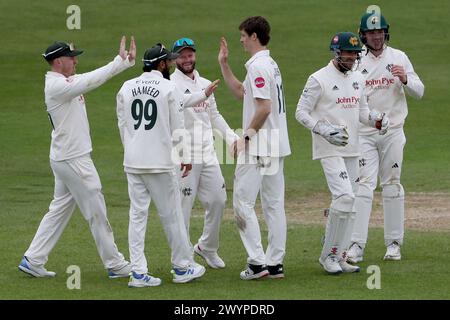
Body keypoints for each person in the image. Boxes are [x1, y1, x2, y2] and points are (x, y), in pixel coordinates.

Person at [18, 37, 136, 278]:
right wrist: (119, 62)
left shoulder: (63, 82)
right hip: (74, 159)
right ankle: (114, 264)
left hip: (65, 157)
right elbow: (90, 81)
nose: (76, 61)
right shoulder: (57, 86)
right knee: (97, 210)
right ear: (59, 61)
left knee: (59, 208)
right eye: (72, 58)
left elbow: (83, 80)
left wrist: (122, 63)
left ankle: (34, 258)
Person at [295, 32, 389, 274]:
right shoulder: (318, 79)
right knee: (345, 197)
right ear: (337, 53)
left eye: (356, 53)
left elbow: (362, 112)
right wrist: (323, 129)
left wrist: (376, 119)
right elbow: (301, 112)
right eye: (348, 53)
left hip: (352, 148)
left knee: (351, 203)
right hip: (329, 148)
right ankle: (328, 256)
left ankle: (341, 254)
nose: (353, 57)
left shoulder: (358, 77)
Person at [116, 43, 207, 287]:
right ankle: (181, 267)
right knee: (173, 216)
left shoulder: (126, 87)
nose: (171, 63)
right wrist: (185, 156)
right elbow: (177, 126)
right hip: (161, 163)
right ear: (161, 64)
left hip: (133, 162)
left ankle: (138, 273)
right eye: (168, 60)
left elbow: (122, 124)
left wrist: (133, 149)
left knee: (137, 216)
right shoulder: (169, 87)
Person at [347, 10, 425, 263]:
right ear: (364, 36)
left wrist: (404, 79)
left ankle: (393, 244)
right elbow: (349, 98)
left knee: (392, 184)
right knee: (364, 187)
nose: (377, 36)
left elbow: (419, 91)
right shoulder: (357, 62)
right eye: (371, 33)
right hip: (366, 134)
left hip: (393, 132)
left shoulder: (399, 57)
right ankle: (356, 244)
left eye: (380, 31)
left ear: (386, 32)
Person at [218, 16, 291, 280]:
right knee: (273, 204)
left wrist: (244, 138)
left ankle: (257, 263)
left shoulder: (260, 67)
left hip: (260, 145)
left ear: (254, 37)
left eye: (243, 35)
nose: (240, 40)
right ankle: (274, 264)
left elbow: (264, 108)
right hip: (275, 143)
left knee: (242, 203)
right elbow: (241, 93)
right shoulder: (268, 64)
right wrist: (224, 65)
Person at [170, 37, 239, 269]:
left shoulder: (206, 82)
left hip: (208, 153)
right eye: (182, 55)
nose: (187, 59)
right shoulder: (170, 85)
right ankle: (183, 258)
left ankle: (206, 247)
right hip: (184, 157)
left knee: (218, 200)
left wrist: (232, 138)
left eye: (190, 55)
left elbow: (214, 116)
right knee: (184, 207)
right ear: (174, 59)